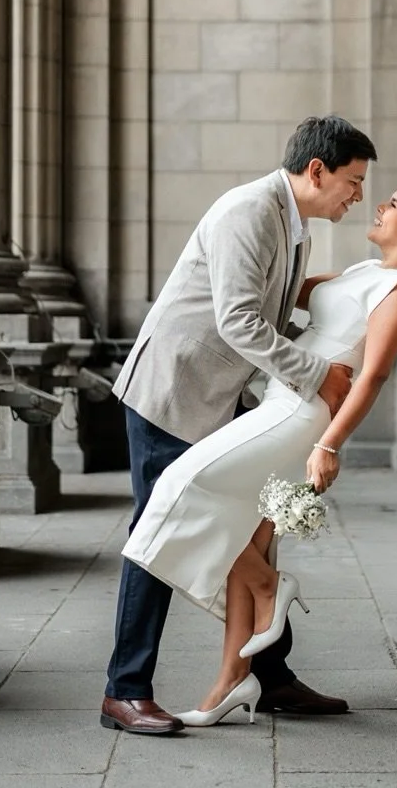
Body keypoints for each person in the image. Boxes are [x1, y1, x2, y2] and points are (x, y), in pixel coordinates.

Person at [124, 180, 397, 727]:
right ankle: (231, 684)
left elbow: (370, 379)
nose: (378, 203)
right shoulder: (363, 273)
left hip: (299, 415)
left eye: (393, 204)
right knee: (246, 531)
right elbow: (287, 291)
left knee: (184, 484)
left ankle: (268, 587)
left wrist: (329, 445)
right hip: (279, 398)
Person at [101, 115, 378, 735]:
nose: (357, 195)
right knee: (159, 534)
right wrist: (316, 375)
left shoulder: (293, 221)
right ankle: (123, 691)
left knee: (257, 523)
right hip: (171, 391)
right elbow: (239, 322)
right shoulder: (249, 210)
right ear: (317, 171)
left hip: (222, 397)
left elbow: (284, 299)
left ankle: (270, 675)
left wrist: (374, 283)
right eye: (353, 182)